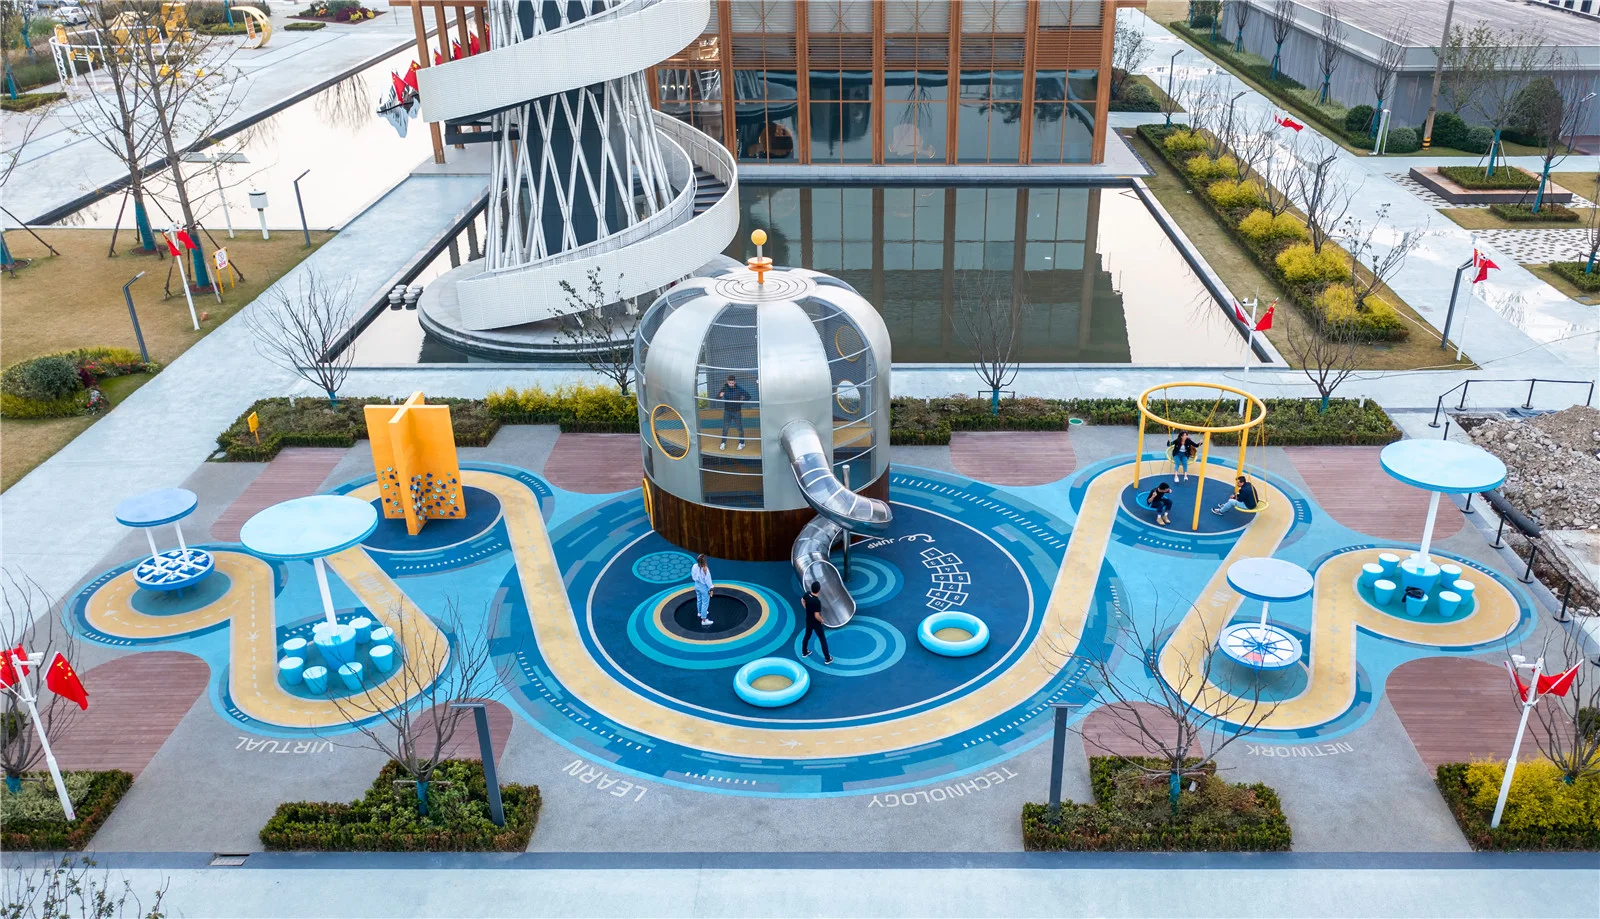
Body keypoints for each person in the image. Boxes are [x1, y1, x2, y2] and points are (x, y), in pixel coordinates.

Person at [800, 581, 833, 664]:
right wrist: (821, 620)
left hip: (808, 620)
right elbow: (816, 615)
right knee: (822, 639)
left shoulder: (807, 594)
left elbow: (802, 600)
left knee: (807, 636)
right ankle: (827, 658)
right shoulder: (816, 601)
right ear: (819, 590)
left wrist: (806, 609)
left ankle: (804, 652)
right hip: (816, 623)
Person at [716, 374, 750, 451]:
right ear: (727, 382)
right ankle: (723, 442)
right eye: (730, 383)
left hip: (736, 412)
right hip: (727, 412)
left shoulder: (739, 388)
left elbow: (748, 396)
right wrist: (720, 395)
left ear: (735, 382)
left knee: (739, 428)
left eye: (732, 383)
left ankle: (742, 443)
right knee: (725, 428)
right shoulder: (725, 388)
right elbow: (717, 397)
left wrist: (740, 403)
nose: (731, 384)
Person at [690, 554, 714, 626]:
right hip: (704, 587)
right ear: (704, 561)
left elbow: (693, 576)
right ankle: (704, 620)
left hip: (696, 585)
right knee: (705, 603)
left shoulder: (694, 566)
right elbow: (708, 581)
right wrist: (711, 588)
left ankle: (699, 612)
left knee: (699, 599)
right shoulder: (705, 569)